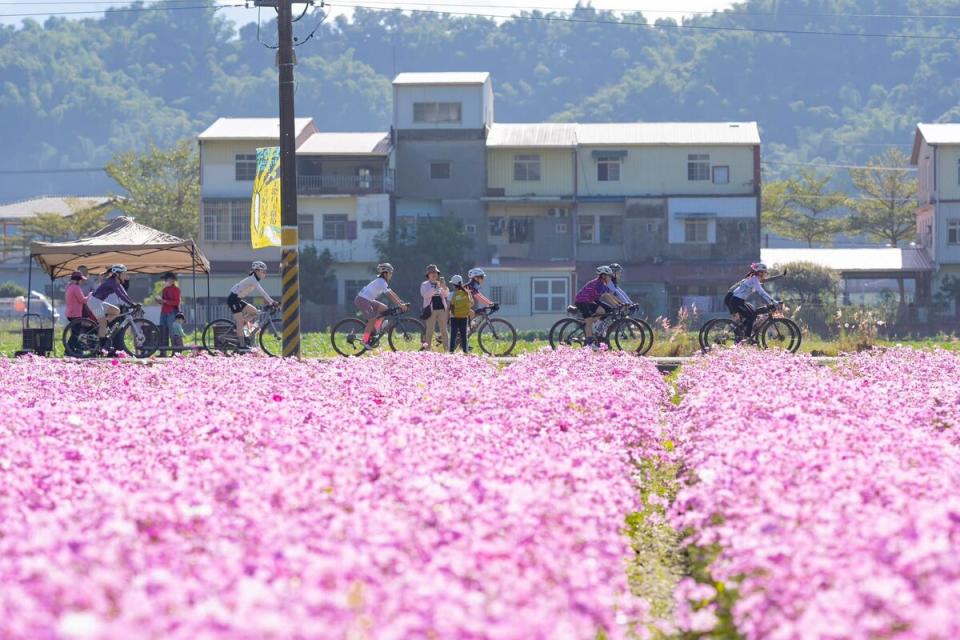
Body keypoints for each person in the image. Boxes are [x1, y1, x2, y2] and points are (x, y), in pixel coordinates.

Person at [355, 263, 408, 349]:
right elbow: (389, 295)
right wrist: (400, 304)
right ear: (385, 273)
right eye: (390, 273)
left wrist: (401, 302)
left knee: (384, 308)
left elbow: (391, 292)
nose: (391, 275)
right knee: (371, 320)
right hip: (362, 300)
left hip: (368, 300)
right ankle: (364, 340)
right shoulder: (381, 282)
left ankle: (376, 328)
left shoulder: (383, 282)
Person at [87, 264, 136, 352]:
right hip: (94, 303)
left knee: (116, 311)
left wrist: (132, 303)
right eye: (124, 273)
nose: (125, 275)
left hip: (99, 302)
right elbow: (120, 295)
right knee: (103, 324)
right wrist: (132, 304)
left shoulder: (115, 282)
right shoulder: (112, 282)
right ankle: (101, 348)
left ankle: (102, 327)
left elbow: (124, 294)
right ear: (117, 274)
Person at [724, 262, 779, 341]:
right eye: (764, 272)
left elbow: (762, 290)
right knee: (751, 317)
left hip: (739, 301)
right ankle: (747, 337)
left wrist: (771, 300)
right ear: (760, 272)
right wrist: (773, 301)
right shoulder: (754, 280)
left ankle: (739, 330)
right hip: (736, 301)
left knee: (753, 315)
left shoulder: (754, 279)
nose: (765, 274)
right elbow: (761, 292)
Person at [228, 261, 277, 348]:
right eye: (263, 271)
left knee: (254, 312)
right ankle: (242, 345)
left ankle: (241, 326)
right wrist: (272, 302)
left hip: (238, 299)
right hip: (233, 299)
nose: (265, 273)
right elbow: (262, 292)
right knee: (239, 321)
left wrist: (271, 302)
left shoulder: (254, 280)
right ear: (257, 271)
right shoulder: (252, 279)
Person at [574, 265, 622, 348]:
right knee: (589, 321)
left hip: (590, 300)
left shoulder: (602, 284)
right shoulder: (598, 284)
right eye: (609, 276)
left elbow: (610, 295)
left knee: (604, 311)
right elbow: (606, 296)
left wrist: (620, 304)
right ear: (603, 276)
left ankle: (593, 326)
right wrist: (617, 305)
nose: (610, 278)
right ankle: (589, 344)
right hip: (581, 301)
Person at [419, 264, 449, 351]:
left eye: (435, 272)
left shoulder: (440, 284)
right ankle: (427, 349)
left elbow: (446, 294)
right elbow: (425, 295)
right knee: (430, 331)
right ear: (428, 274)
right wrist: (435, 289)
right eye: (432, 272)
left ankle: (447, 349)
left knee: (444, 330)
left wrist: (444, 287)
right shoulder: (424, 284)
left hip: (442, 310)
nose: (434, 274)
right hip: (430, 310)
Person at [64, 271, 90, 354]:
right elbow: (83, 300)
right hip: (75, 313)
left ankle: (71, 350)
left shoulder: (69, 286)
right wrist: (90, 295)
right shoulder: (75, 287)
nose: (82, 282)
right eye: (81, 280)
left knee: (75, 333)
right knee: (76, 334)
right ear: (77, 280)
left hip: (70, 313)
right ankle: (68, 351)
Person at [447, 275, 473, 353]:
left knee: (453, 335)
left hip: (454, 317)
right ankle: (465, 351)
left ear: (453, 284)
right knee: (464, 335)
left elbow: (448, 307)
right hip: (464, 317)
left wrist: (447, 318)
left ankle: (451, 351)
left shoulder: (451, 294)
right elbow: (471, 303)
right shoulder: (466, 293)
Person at [157, 272, 181, 345]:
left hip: (172, 312)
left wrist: (165, 301)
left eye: (165, 280)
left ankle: (175, 350)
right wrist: (160, 301)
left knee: (172, 332)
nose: (164, 282)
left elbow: (176, 302)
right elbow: (164, 301)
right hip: (164, 312)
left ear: (171, 280)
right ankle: (163, 351)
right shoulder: (164, 289)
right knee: (163, 331)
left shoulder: (176, 290)